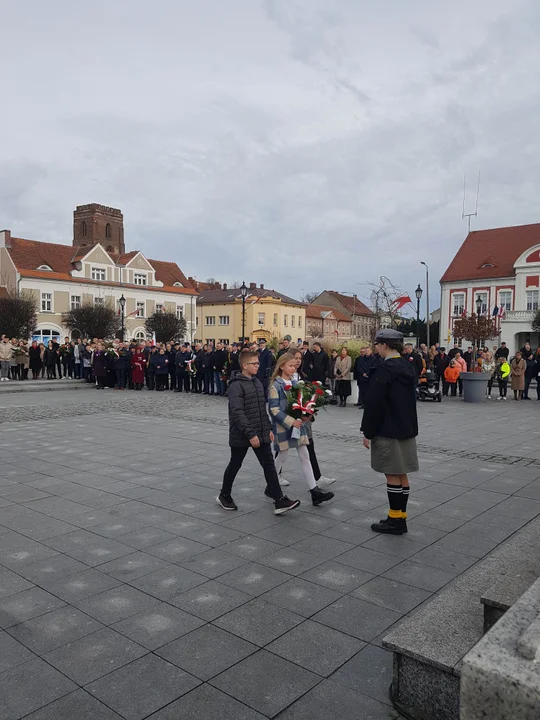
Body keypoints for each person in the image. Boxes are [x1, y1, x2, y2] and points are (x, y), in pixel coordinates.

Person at [217, 349, 301, 515]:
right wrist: (250, 434)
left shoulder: (256, 382)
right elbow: (237, 412)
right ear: (244, 365)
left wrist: (268, 428)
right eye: (254, 363)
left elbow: (262, 409)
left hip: (260, 432)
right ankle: (224, 495)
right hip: (243, 433)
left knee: (269, 465)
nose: (258, 366)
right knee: (235, 463)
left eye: (258, 362)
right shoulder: (236, 385)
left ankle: (279, 499)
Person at [361, 329, 418, 535]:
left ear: (385, 345)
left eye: (377, 344)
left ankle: (395, 520)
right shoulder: (407, 365)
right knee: (401, 473)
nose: (376, 348)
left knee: (392, 474)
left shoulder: (384, 370)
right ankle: (400, 516)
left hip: (388, 428)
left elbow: (375, 404)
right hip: (406, 427)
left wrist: (367, 431)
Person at [269, 353, 334, 506]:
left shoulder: (295, 382)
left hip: (298, 424)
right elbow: (274, 409)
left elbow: (301, 401)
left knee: (304, 455)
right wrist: (292, 421)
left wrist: (306, 415)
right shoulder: (276, 385)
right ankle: (271, 484)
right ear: (282, 366)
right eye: (290, 366)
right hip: (283, 425)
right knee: (282, 456)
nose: (293, 368)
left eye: (294, 366)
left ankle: (314, 492)